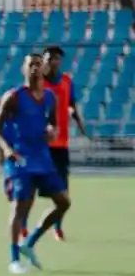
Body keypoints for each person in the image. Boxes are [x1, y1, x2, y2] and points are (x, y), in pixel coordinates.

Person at [0, 53, 70, 274]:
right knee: (19, 207)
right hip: (20, 158)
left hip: (42, 158)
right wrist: (7, 149)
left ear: (44, 69)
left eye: (38, 64)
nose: (35, 68)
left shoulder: (50, 97)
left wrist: (51, 132)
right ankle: (14, 259)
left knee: (63, 202)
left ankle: (30, 243)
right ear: (23, 70)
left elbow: (51, 124)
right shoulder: (14, 96)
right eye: (30, 65)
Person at [41, 45, 88, 240]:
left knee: (62, 190)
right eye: (50, 58)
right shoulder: (37, 83)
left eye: (57, 58)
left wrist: (80, 123)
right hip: (40, 145)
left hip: (60, 145)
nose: (54, 61)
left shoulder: (67, 81)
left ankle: (57, 226)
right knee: (29, 188)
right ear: (44, 60)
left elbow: (72, 104)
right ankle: (24, 226)